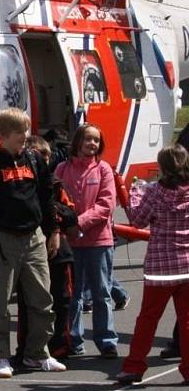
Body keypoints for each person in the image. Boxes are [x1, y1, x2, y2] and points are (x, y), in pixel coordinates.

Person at [0, 108, 64, 379]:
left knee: (42, 300)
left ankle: (37, 354)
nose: (25, 136)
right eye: (19, 132)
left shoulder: (34, 159)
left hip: (34, 237)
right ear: (2, 135)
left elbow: (47, 197)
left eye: (26, 130)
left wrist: (53, 230)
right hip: (2, 239)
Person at [116, 144, 189, 385]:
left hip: (160, 267)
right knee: (187, 321)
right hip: (186, 264)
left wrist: (136, 193)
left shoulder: (154, 191)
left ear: (162, 166)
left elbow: (137, 221)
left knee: (148, 319)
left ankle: (134, 367)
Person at [55, 123, 119, 358]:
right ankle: (74, 339)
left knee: (102, 292)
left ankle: (107, 340)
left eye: (96, 140)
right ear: (78, 141)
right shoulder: (62, 168)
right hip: (71, 243)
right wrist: (65, 225)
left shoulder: (104, 170)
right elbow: (55, 198)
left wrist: (78, 222)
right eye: (88, 139)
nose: (92, 144)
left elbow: (106, 205)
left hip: (98, 241)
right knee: (73, 294)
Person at [16, 136, 77, 361]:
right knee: (28, 302)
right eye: (35, 156)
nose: (41, 161)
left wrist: (52, 212)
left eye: (45, 156)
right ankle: (26, 348)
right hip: (29, 252)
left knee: (61, 300)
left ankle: (60, 345)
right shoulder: (19, 185)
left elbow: (71, 215)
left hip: (58, 252)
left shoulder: (56, 184)